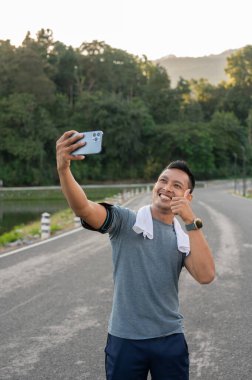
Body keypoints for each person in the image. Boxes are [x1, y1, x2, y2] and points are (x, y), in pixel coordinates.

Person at [56, 130, 215, 380]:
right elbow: (83, 208)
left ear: (188, 196)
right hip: (125, 339)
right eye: (163, 180)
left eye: (177, 185)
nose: (167, 188)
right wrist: (64, 169)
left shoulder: (184, 236)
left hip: (169, 339)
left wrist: (190, 220)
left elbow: (206, 276)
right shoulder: (125, 221)